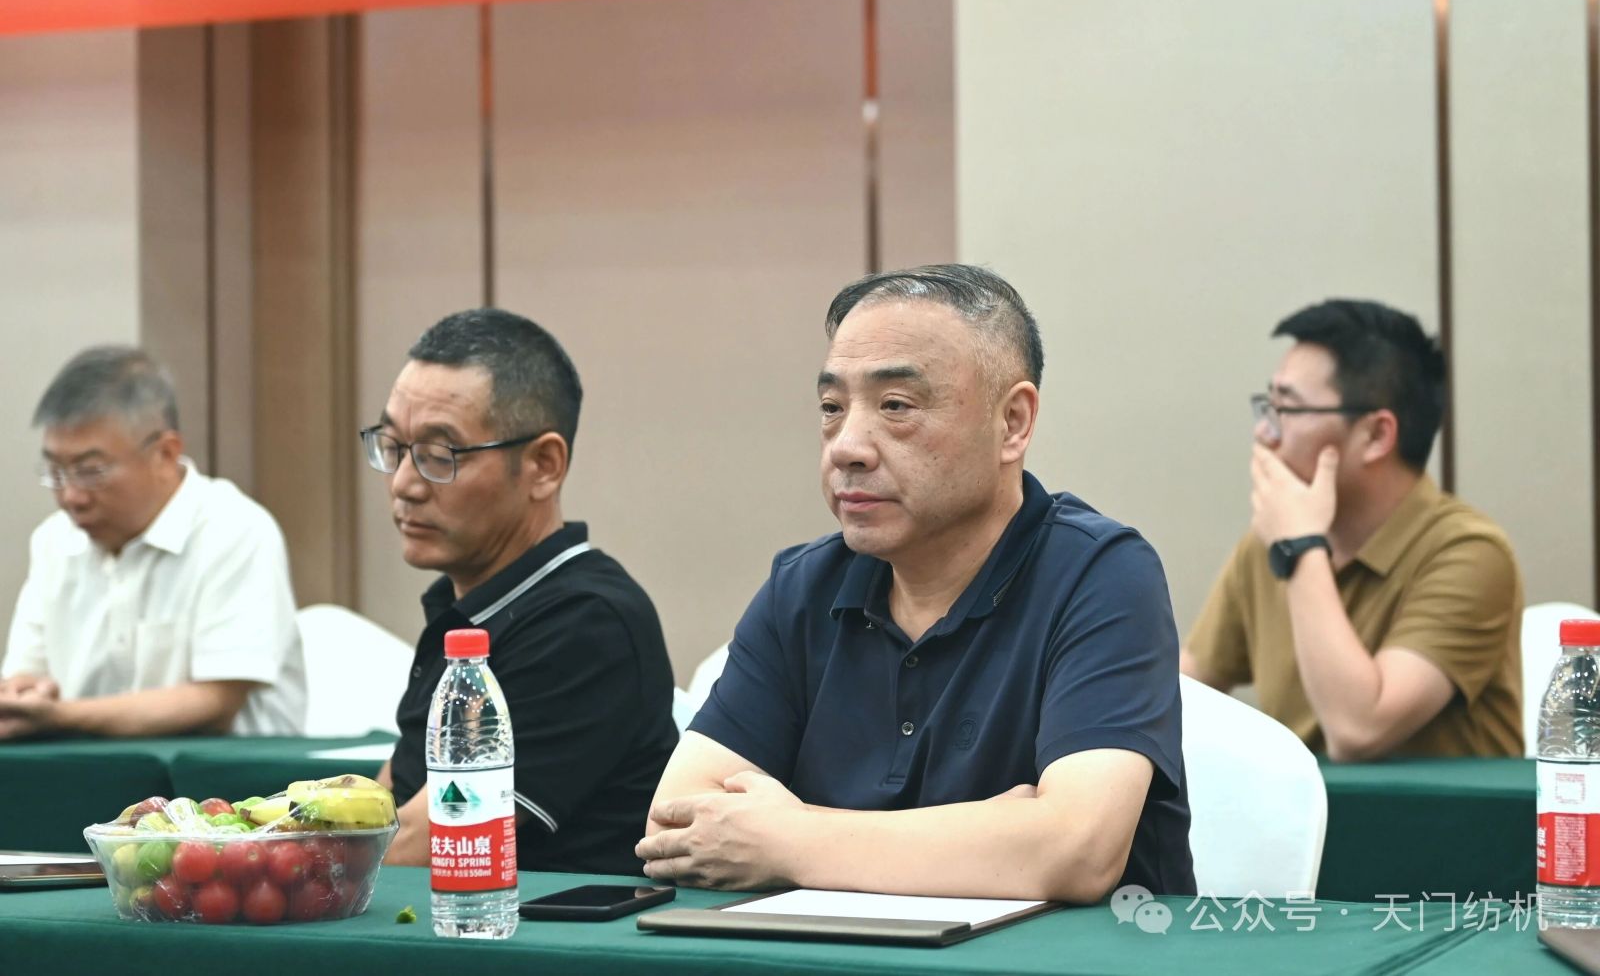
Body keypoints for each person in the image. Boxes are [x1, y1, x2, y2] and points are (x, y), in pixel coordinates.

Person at [638, 265, 1194, 902]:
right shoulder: (803, 586)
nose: (847, 447)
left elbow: (1076, 851)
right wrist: (998, 837)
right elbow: (674, 825)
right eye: (831, 408)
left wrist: (786, 838)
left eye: (895, 406)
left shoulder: (1101, 573)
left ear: (1013, 422)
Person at [369, 307, 677, 874]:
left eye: (439, 456)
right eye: (392, 446)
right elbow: (385, 802)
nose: (404, 484)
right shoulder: (469, 604)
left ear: (542, 465)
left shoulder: (588, 624)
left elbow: (436, 836)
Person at [1182, 299, 1523, 760]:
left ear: (1377, 436)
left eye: (1287, 408)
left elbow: (1359, 729)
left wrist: (1302, 548)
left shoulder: (1470, 552)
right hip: (1306, 809)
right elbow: (1182, 690)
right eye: (1268, 405)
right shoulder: (1268, 546)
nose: (1265, 433)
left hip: (1429, 810)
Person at [0, 346, 305, 738]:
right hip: (90, 766)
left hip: (226, 773)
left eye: (90, 471)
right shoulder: (54, 540)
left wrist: (60, 715)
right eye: (56, 471)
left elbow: (215, 702)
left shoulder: (235, 530)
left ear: (165, 453)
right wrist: (25, 694)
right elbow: (27, 674)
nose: (71, 496)